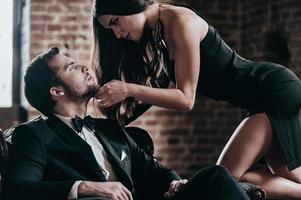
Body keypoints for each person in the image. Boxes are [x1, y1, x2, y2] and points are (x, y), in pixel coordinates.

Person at [91, 0, 301, 199]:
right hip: (264, 96)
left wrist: (127, 89)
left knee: (224, 178)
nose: (117, 34)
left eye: (115, 22)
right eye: (111, 30)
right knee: (279, 176)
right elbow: (165, 89)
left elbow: (185, 98)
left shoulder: (181, 22)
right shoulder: (160, 30)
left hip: (272, 90)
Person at [1, 47, 249, 200]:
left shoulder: (109, 129)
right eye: (71, 67)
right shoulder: (34, 135)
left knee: (216, 177)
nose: (84, 67)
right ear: (56, 91)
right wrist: (88, 188)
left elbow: (155, 171)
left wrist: (174, 183)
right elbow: (18, 189)